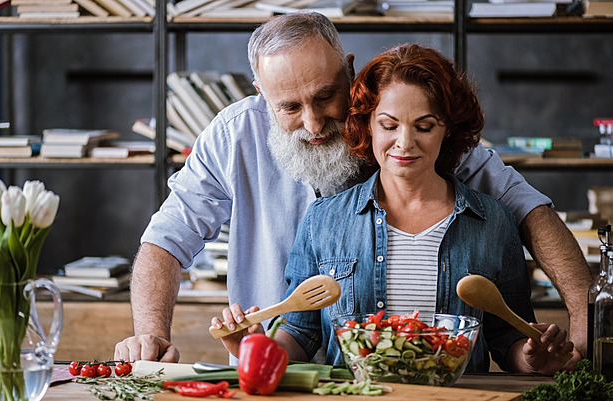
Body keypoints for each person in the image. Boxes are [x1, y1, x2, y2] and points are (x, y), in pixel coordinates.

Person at [114, 11, 589, 364]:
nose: (314, 122)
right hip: (282, 374)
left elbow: (529, 211)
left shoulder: (400, 123)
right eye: (289, 107)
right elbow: (166, 239)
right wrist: (149, 335)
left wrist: (587, 327)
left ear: (350, 71)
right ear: (260, 94)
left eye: (325, 96)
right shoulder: (233, 134)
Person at [214, 43, 574, 375]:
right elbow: (300, 334)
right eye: (389, 125)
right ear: (366, 124)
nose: (404, 143)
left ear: (447, 130)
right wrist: (250, 345)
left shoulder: (492, 221)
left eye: (424, 126)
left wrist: (531, 357)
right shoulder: (324, 220)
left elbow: (507, 338)